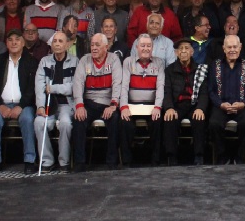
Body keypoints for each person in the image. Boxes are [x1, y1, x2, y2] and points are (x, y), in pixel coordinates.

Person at [0, 30, 38, 174]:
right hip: (2, 104)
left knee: (27, 119)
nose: (14, 43)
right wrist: (0, 105)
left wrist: (21, 106)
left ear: (23, 43)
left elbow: (32, 88)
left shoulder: (32, 62)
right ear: (6, 43)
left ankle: (29, 161)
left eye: (17, 39)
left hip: (24, 105)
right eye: (10, 40)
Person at [72, 34, 123, 172]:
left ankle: (112, 162)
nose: (93, 48)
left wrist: (113, 105)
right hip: (89, 103)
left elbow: (117, 83)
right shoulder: (84, 60)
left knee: (115, 119)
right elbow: (77, 83)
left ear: (106, 47)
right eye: (92, 45)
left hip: (107, 103)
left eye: (97, 45)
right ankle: (79, 162)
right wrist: (79, 105)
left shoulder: (114, 59)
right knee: (78, 119)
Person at [34, 31, 78, 173]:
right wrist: (40, 106)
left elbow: (74, 87)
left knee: (65, 124)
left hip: (67, 104)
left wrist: (53, 88)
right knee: (39, 122)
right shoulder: (44, 61)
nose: (57, 44)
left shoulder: (75, 61)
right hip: (49, 103)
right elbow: (39, 86)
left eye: (60, 41)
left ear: (67, 45)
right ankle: (47, 161)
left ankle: (64, 161)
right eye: (55, 41)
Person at [208, 35, 245, 164]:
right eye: (229, 47)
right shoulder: (215, 65)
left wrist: (244, 103)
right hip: (221, 106)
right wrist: (220, 104)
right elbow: (210, 90)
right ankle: (222, 156)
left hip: (242, 106)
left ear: (240, 47)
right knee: (213, 124)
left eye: (235, 47)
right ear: (224, 48)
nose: (232, 50)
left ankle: (239, 156)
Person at [120, 34, 166, 166]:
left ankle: (156, 160)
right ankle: (126, 161)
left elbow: (160, 87)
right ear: (136, 47)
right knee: (124, 123)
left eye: (148, 46)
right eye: (142, 45)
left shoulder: (159, 62)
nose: (146, 48)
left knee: (157, 122)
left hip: (151, 106)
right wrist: (124, 107)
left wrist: (157, 107)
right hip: (131, 106)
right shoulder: (128, 62)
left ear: (152, 48)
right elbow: (124, 87)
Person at [162, 39, 209, 165]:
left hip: (194, 105)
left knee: (199, 118)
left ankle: (199, 156)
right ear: (176, 53)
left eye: (187, 48)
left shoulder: (200, 69)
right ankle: (171, 157)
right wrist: (169, 108)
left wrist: (200, 108)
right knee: (170, 118)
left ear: (192, 52)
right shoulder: (169, 70)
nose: (183, 51)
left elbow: (204, 93)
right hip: (177, 105)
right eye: (180, 49)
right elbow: (167, 91)